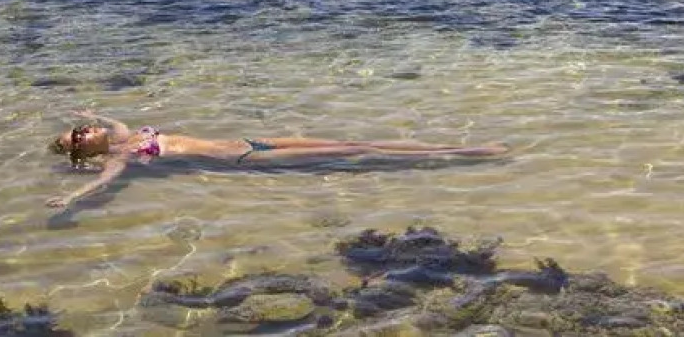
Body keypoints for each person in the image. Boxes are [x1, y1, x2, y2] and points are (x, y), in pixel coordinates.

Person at [46, 109, 508, 209]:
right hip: (245, 160)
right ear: (82, 151)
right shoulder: (117, 161)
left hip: (250, 138)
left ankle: (452, 149)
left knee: (348, 139)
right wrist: (71, 197)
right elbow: (101, 186)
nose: (87, 132)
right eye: (79, 136)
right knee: (359, 152)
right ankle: (467, 152)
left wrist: (87, 113)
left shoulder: (126, 135)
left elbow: (108, 116)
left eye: (82, 130)